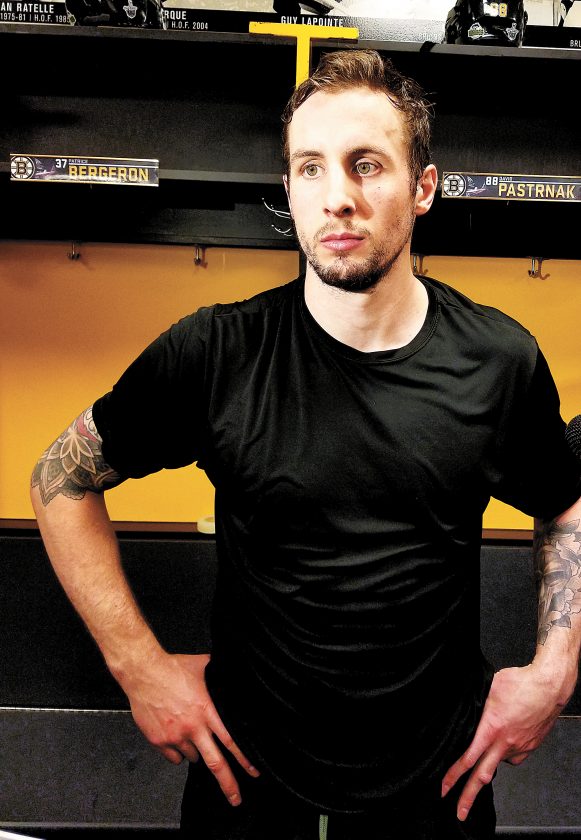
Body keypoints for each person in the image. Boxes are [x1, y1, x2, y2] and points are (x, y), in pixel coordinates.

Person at [31, 50, 581, 840]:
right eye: (310, 168)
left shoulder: (498, 360)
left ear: (423, 188)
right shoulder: (214, 352)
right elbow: (59, 479)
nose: (337, 197)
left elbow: (563, 501)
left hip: (438, 789)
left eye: (367, 165)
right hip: (247, 785)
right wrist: (138, 668)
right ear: (287, 190)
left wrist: (553, 673)